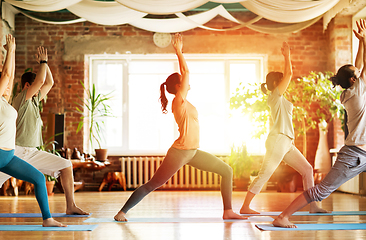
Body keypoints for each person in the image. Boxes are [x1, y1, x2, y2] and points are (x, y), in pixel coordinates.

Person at [114, 33, 245, 222]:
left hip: (193, 152)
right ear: (178, 85)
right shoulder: (178, 101)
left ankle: (228, 211)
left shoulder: (185, 102)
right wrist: (178, 52)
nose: (188, 83)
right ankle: (121, 212)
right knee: (153, 184)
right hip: (180, 152)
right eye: (184, 82)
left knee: (226, 170)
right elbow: (186, 72)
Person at [273, 19, 366, 228]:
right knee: (322, 190)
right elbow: (363, 67)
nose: (360, 74)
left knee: (322, 189)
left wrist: (361, 41)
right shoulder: (358, 92)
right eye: (357, 75)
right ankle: (282, 217)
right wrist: (364, 41)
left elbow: (358, 67)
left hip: (363, 152)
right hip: (354, 155)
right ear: (354, 80)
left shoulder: (352, 91)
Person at [240, 41, 327, 215]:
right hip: (278, 140)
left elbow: (287, 76)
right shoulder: (274, 97)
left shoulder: (279, 99)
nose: (285, 82)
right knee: (265, 174)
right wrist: (286, 56)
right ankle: (245, 206)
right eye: (281, 81)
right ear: (276, 83)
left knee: (307, 169)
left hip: (287, 142)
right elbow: (289, 73)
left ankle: (313, 205)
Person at [0, 45, 88, 216]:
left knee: (66, 165)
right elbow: (40, 82)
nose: (40, 90)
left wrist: (45, 65)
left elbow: (49, 82)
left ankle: (71, 206)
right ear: (27, 85)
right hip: (15, 152)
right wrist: (42, 62)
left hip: (31, 152)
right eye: (35, 87)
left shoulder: (35, 100)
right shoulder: (22, 98)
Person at [0, 34, 65, 227]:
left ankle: (47, 219)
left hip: (8, 156)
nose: (9, 86)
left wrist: (11, 51)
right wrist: (11, 50)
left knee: (38, 178)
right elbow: (7, 75)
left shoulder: (6, 101)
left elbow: (9, 78)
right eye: (5, 85)